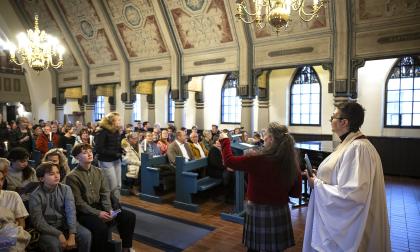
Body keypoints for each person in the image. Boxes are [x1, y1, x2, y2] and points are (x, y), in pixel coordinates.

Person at [303, 102, 390, 252]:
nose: (331, 120)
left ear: (344, 122)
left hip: (351, 235)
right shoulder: (349, 144)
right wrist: (321, 175)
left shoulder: (358, 148)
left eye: (333, 117)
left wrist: (316, 184)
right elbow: (340, 174)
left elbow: (351, 195)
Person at [219, 122, 302, 252]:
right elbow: (296, 193)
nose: (263, 138)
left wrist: (224, 140)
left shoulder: (258, 160)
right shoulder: (291, 160)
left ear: (271, 139)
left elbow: (229, 161)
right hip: (280, 211)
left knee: (255, 249)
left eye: (265, 135)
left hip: (259, 211)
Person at [65, 143, 136, 252]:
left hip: (101, 207)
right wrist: (98, 213)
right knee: (101, 228)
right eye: (84, 153)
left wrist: (109, 210)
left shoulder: (99, 171)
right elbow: (79, 203)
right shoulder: (72, 176)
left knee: (129, 216)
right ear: (76, 157)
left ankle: (126, 248)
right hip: (85, 212)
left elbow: (105, 193)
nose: (89, 154)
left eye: (90, 151)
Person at [29, 162, 91, 252]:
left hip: (66, 224)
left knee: (86, 235)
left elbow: (71, 212)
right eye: (51, 174)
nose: (56, 176)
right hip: (48, 228)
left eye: (57, 172)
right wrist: (58, 234)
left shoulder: (66, 189)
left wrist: (72, 234)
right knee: (54, 244)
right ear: (41, 178)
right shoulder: (35, 195)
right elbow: (38, 222)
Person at [0, 169, 31, 251]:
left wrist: (8, 235)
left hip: (10, 234)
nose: (0, 183)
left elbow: (21, 224)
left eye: (2, 179)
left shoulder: (13, 196)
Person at [94, 112, 123, 200]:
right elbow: (99, 149)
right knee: (112, 185)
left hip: (116, 160)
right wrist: (114, 153)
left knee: (118, 184)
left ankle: (117, 204)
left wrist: (121, 150)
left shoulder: (116, 131)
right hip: (106, 161)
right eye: (118, 120)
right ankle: (110, 205)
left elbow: (115, 145)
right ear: (111, 121)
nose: (120, 121)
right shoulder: (102, 131)